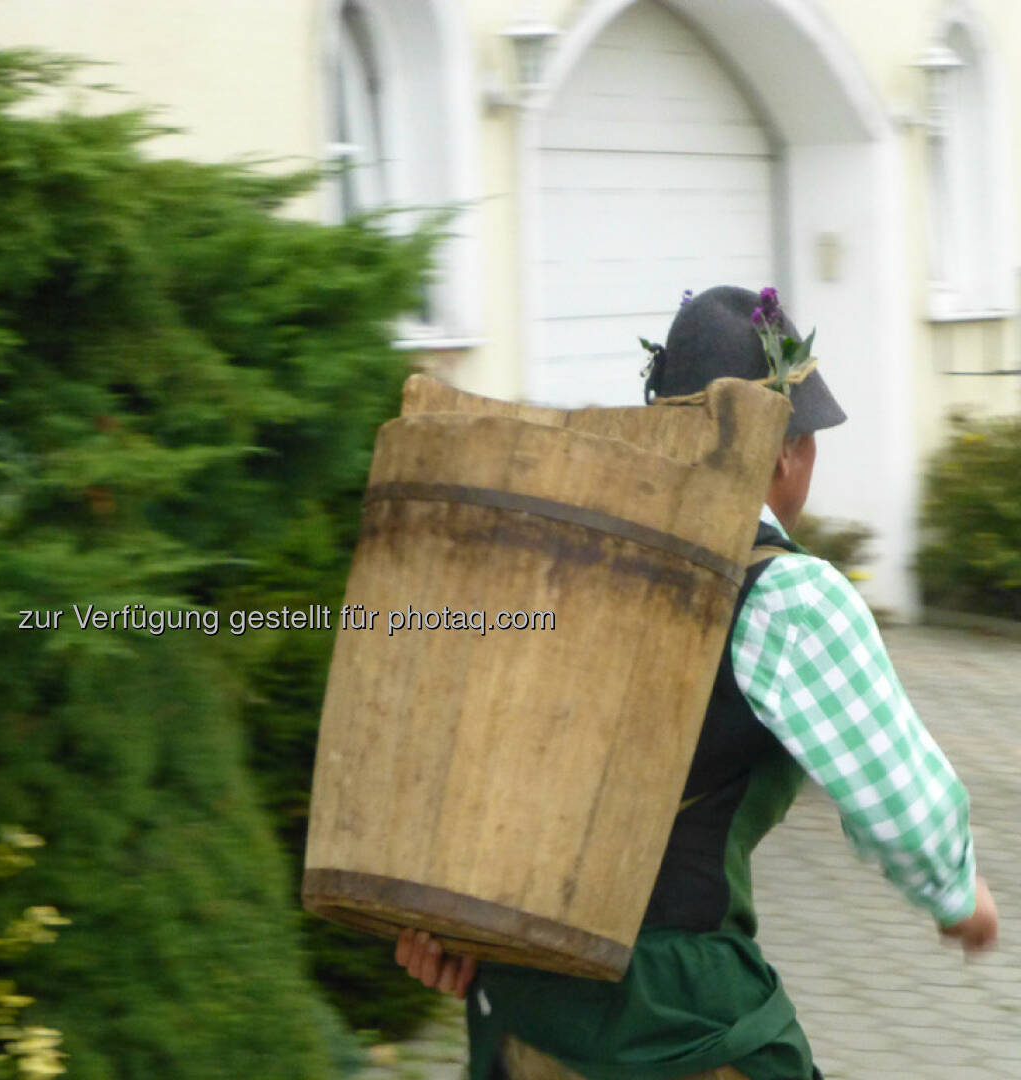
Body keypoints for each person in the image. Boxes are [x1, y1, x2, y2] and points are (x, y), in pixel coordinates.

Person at [393, 286, 999, 1080]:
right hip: (671, 1015)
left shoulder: (557, 563)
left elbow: (472, 760)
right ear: (788, 450)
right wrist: (958, 896)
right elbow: (904, 806)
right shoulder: (788, 598)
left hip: (518, 1004)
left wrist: (442, 930)